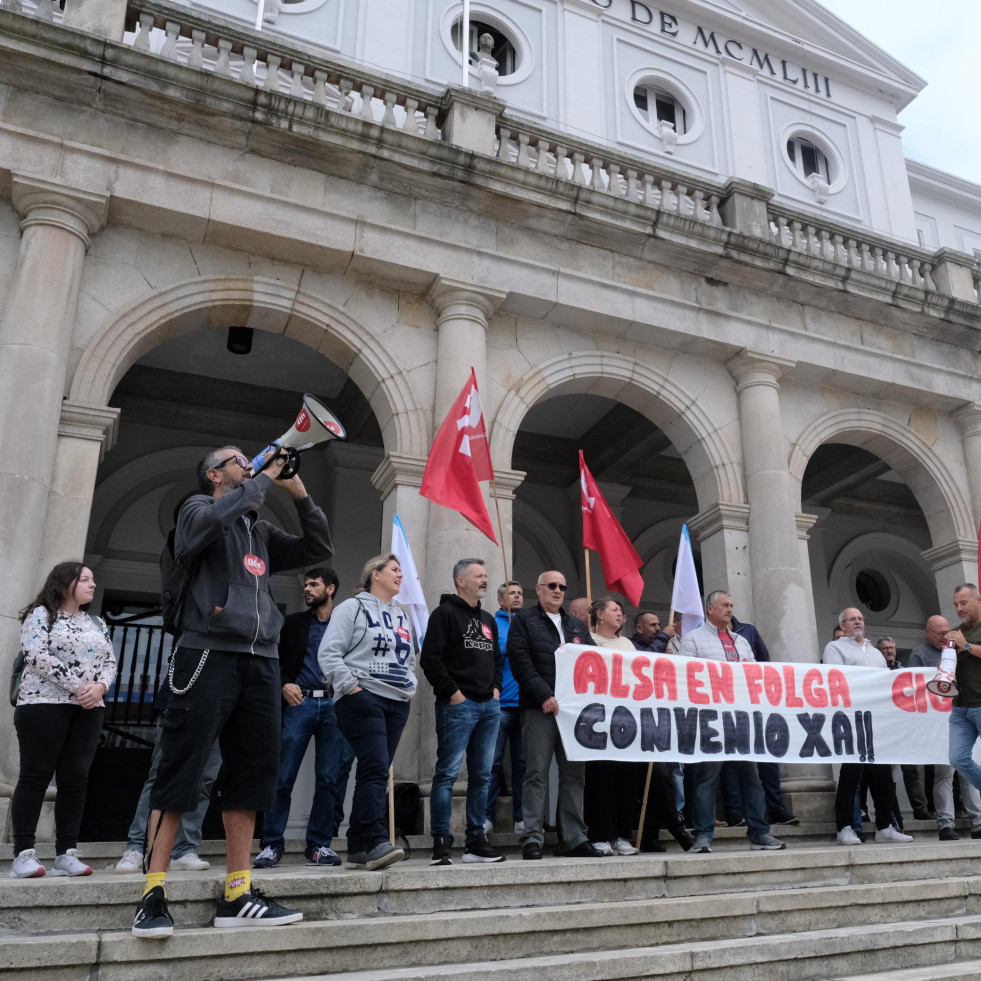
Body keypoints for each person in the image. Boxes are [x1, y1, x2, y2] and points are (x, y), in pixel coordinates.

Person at [132, 446, 331, 939]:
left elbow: (318, 547)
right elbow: (215, 518)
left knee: (251, 777)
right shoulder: (196, 510)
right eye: (237, 459)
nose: (249, 462)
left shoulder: (259, 532)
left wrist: (297, 489)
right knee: (181, 770)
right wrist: (261, 478)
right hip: (206, 655)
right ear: (214, 474)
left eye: (251, 458)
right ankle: (152, 893)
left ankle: (237, 893)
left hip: (261, 661)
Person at [10, 562, 117, 879]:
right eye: (85, 579)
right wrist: (79, 686)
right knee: (35, 776)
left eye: (94, 579)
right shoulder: (41, 614)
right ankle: (23, 854)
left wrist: (100, 687)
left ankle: (66, 852)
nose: (92, 584)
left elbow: (109, 661)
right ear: (64, 583)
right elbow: (37, 655)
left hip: (88, 708)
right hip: (43, 705)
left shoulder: (96, 622)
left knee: (76, 779)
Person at [319, 553, 417, 872]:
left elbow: (410, 658)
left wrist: (409, 684)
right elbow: (329, 653)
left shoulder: (401, 616)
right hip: (363, 697)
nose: (401, 575)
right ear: (375, 574)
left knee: (375, 770)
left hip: (397, 700)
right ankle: (375, 839)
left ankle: (359, 846)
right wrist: (351, 688)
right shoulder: (351, 607)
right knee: (375, 767)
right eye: (394, 570)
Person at [253, 567, 349, 870]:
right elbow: (272, 660)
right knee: (283, 776)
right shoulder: (292, 624)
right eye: (306, 584)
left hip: (336, 706)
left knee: (329, 779)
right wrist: (283, 683)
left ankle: (319, 845)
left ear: (330, 589)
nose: (307, 589)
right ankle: (271, 844)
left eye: (314, 584)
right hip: (300, 703)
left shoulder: (347, 626)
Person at [679, 590, 786, 853]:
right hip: (711, 719)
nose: (730, 609)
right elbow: (686, 677)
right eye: (724, 605)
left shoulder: (742, 641)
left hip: (743, 718)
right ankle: (703, 835)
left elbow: (754, 675)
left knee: (752, 778)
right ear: (709, 609)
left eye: (732, 605)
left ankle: (760, 833)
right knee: (706, 778)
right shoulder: (692, 640)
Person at [507, 571, 601, 860]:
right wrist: (544, 695)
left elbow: (593, 661)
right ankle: (532, 838)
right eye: (552, 586)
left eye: (562, 586)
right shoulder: (524, 620)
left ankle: (574, 837)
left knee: (575, 775)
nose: (558, 590)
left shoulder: (576, 624)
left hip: (574, 712)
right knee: (536, 773)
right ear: (538, 589)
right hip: (540, 708)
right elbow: (520, 661)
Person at [421, 558, 504, 865]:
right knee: (446, 775)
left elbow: (498, 659)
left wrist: (495, 691)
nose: (485, 580)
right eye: (478, 576)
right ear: (460, 581)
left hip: (488, 707)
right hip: (458, 706)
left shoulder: (488, 618)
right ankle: (441, 843)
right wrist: (454, 694)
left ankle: (475, 841)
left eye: (485, 574)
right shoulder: (444, 614)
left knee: (482, 776)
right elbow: (431, 659)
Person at [824, 608, 913, 846]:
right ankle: (844, 827)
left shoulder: (875, 652)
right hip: (852, 718)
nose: (858, 622)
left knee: (883, 774)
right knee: (851, 774)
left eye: (860, 618)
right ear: (842, 625)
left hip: (877, 718)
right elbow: (837, 679)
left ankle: (884, 826)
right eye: (852, 619)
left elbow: (886, 682)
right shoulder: (835, 648)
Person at [908, 615, 981, 840]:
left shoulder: (958, 645)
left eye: (946, 631)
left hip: (960, 714)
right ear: (927, 632)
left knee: (966, 768)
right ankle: (945, 823)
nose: (944, 636)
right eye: (939, 633)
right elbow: (911, 685)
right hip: (934, 721)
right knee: (944, 773)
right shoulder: (919, 655)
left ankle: (977, 821)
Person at [583, 598, 640, 856]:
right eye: (614, 610)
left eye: (622, 611)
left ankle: (622, 836)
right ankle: (599, 835)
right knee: (601, 779)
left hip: (625, 718)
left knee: (626, 779)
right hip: (597, 717)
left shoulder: (627, 644)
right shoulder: (587, 640)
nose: (621, 614)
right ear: (600, 615)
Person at [485, 581, 525, 834]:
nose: (518, 597)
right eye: (512, 593)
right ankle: (486, 817)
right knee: (492, 763)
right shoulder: (491, 624)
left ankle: (522, 817)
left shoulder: (530, 623)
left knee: (523, 764)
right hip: (500, 704)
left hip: (527, 704)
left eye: (520, 593)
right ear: (501, 601)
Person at [945, 585, 981, 810]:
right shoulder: (958, 630)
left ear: (978, 600)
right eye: (956, 605)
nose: (959, 608)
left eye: (964, 603)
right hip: (960, 707)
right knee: (957, 759)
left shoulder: (962, 637)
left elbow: (967, 648)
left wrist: (965, 645)